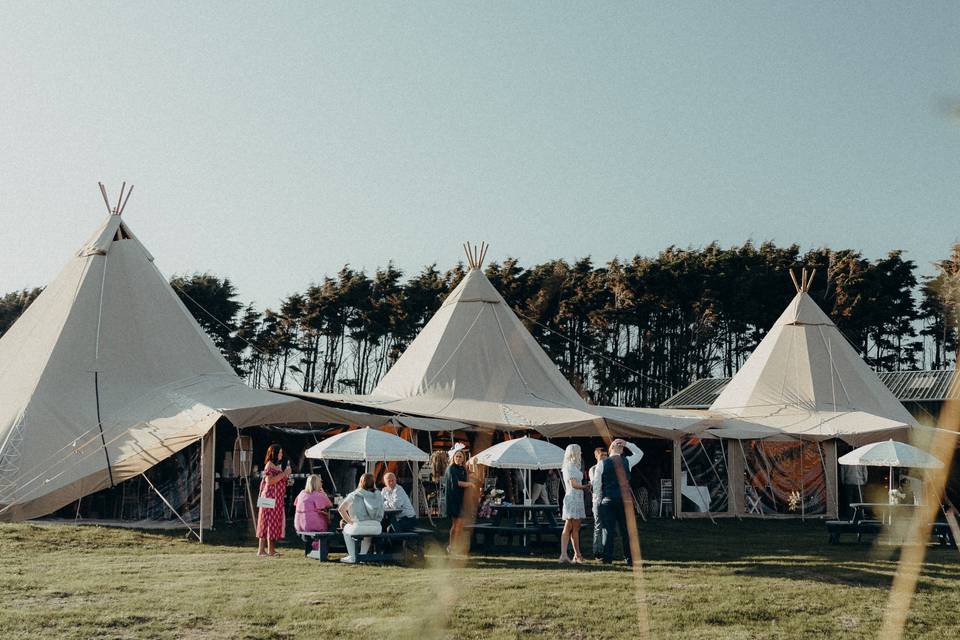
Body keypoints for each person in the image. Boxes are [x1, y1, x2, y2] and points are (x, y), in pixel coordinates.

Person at [593, 439, 634, 565]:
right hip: (624, 500)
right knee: (625, 530)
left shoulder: (602, 464)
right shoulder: (628, 461)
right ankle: (628, 558)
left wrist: (599, 501)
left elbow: (597, 485)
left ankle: (607, 558)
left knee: (608, 530)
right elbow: (640, 453)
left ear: (610, 449)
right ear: (621, 449)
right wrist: (627, 443)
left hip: (608, 500)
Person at [337, 473, 385, 564]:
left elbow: (341, 509)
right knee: (368, 534)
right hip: (377, 527)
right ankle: (362, 555)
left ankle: (352, 556)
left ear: (360, 482)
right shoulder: (379, 494)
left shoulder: (354, 494)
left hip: (359, 525)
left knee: (346, 529)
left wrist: (349, 521)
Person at [256, 443, 291, 557]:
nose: (281, 454)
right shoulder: (269, 465)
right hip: (269, 498)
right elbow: (269, 481)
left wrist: (286, 478)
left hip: (277, 499)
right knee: (266, 523)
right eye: (279, 452)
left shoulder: (277, 466)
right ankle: (262, 550)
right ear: (274, 454)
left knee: (273, 523)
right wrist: (284, 474)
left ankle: (270, 550)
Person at [559, 444, 590, 564]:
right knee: (570, 526)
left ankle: (574, 555)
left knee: (574, 527)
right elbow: (573, 484)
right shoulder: (570, 467)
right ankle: (569, 555)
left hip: (577, 498)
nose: (581, 454)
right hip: (572, 498)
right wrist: (585, 486)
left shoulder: (574, 467)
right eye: (579, 452)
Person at [443, 448, 475, 553]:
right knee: (456, 524)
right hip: (454, 500)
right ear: (453, 457)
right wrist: (470, 484)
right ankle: (452, 546)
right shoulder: (451, 468)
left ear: (463, 458)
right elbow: (458, 483)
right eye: (456, 456)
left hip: (461, 500)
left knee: (459, 525)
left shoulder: (462, 469)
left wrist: (473, 464)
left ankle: (454, 546)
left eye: (460, 456)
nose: (458, 458)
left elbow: (472, 476)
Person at [588, 447, 608, 557]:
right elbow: (595, 484)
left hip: (608, 500)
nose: (604, 458)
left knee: (607, 526)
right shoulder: (593, 469)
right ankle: (597, 551)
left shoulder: (610, 468)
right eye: (602, 456)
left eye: (606, 455)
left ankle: (605, 549)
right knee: (598, 525)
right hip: (597, 500)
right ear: (596, 456)